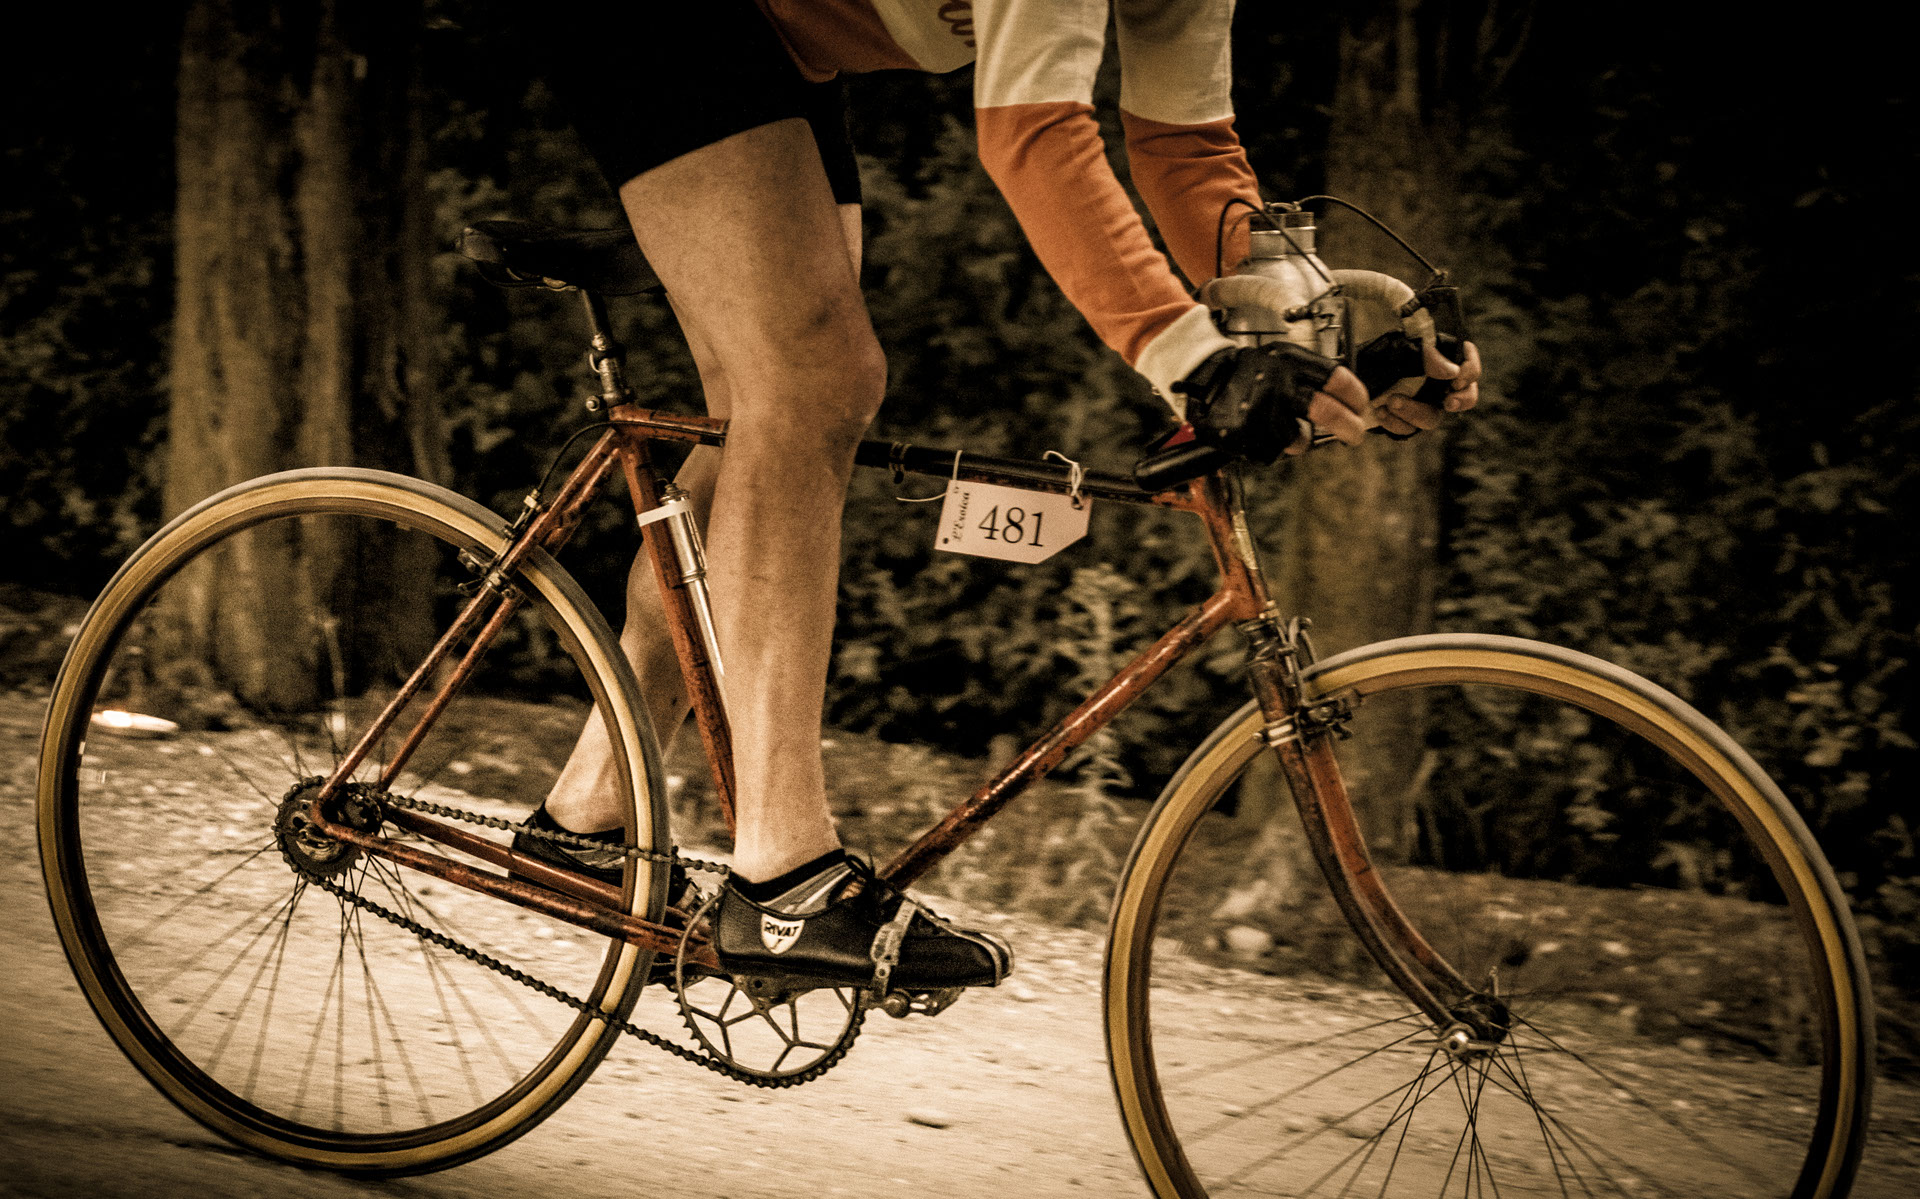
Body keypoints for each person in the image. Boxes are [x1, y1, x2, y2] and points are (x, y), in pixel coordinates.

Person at [509, 0, 1481, 994]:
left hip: (770, 39)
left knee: (772, 407)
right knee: (810, 380)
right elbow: (1030, 133)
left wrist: (1330, 342)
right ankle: (783, 877)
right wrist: (1193, 360)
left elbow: (1188, 158)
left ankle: (589, 805)